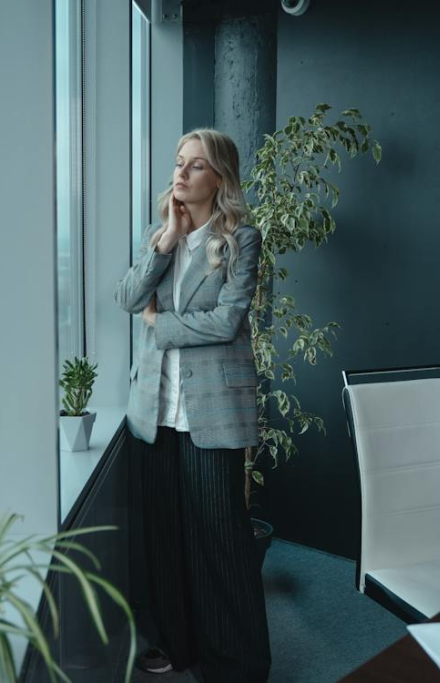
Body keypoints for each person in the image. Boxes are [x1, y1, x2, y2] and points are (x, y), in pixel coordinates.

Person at [113, 128, 271, 682]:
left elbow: (228, 322)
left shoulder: (241, 239)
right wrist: (165, 242)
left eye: (195, 165)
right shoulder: (160, 236)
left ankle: (239, 665)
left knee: (220, 543)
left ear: (219, 178)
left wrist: (163, 324)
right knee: (166, 538)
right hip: (156, 412)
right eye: (179, 163)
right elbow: (129, 298)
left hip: (212, 413)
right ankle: (179, 646)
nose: (181, 174)